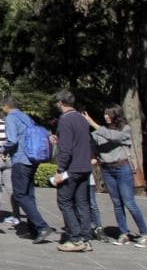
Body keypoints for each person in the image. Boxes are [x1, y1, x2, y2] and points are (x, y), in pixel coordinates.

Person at [84, 106, 147, 246]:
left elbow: (114, 136)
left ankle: (144, 234)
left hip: (122, 168)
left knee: (129, 202)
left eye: (109, 114)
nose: (106, 116)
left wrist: (92, 123)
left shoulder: (125, 129)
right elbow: (88, 141)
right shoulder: (99, 132)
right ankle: (123, 233)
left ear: (116, 115)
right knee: (117, 204)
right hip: (107, 169)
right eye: (105, 114)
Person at [2, 95, 56, 243]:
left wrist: (4, 150)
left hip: (20, 159)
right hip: (33, 159)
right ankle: (34, 230)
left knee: (19, 194)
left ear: (6, 106)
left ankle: (42, 226)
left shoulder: (11, 118)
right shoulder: (26, 117)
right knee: (29, 195)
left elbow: (12, 140)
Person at [52, 90, 94, 252]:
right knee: (82, 203)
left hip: (72, 168)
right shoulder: (82, 119)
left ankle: (75, 238)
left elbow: (66, 149)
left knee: (64, 201)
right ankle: (86, 238)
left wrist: (60, 170)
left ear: (60, 103)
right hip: (85, 166)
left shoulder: (65, 119)